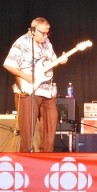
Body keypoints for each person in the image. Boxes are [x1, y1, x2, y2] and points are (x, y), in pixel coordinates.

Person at [3, 17, 67, 152]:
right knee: (27, 127)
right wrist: (26, 76)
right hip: (29, 90)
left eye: (47, 33)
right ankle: (26, 158)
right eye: (42, 33)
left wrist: (61, 60)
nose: (45, 36)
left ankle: (46, 157)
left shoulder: (47, 43)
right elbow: (8, 64)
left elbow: (52, 61)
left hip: (47, 91)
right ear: (32, 30)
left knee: (51, 122)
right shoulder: (22, 42)